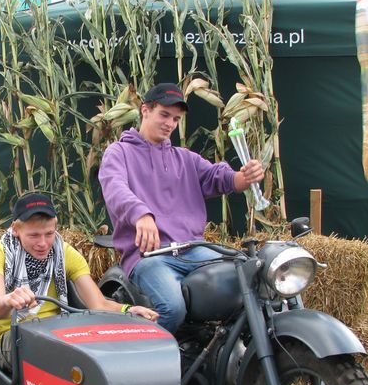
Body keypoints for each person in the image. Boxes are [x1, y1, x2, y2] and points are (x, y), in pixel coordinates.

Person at [99, 82, 265, 334]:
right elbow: (115, 188)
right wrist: (141, 214)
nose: (170, 123)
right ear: (145, 110)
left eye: (176, 119)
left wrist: (245, 177)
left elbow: (219, 178)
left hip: (193, 249)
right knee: (172, 308)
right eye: (164, 115)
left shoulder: (185, 158)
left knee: (250, 275)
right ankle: (150, 355)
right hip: (149, 257)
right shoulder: (119, 152)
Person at [0, 192, 158, 370]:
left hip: (57, 333)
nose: (43, 243)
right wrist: (9, 300)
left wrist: (128, 310)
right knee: (54, 349)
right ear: (16, 229)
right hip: (10, 336)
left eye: (49, 234)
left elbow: (98, 304)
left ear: (55, 226)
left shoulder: (65, 253)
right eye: (34, 235)